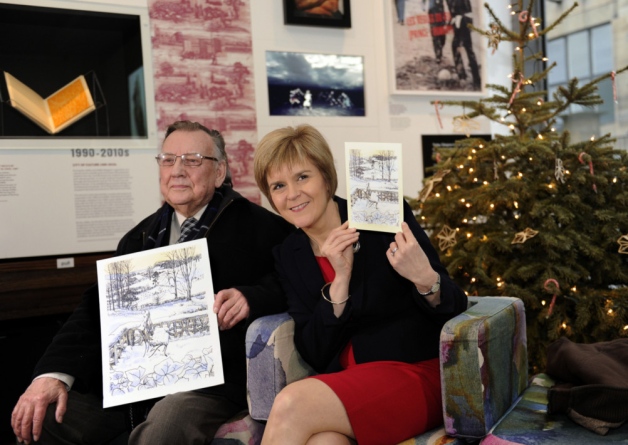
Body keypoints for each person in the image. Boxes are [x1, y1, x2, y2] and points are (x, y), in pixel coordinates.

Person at [11, 120, 294, 444]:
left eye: (192, 160)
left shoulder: (262, 228)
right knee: (42, 418)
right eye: (168, 160)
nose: (177, 170)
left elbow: (297, 282)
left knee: (163, 428)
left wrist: (251, 297)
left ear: (219, 172)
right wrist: (52, 376)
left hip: (205, 387)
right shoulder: (138, 237)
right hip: (131, 389)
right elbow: (93, 311)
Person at [253, 124, 468, 444]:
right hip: (345, 387)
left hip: (413, 373)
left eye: (302, 177)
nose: (292, 194)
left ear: (326, 176)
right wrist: (339, 283)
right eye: (278, 186)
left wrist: (424, 277)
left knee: (290, 403)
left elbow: (454, 303)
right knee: (323, 443)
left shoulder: (379, 213)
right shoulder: (289, 254)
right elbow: (312, 350)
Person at [446, 0, 481, 89]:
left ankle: (473, 79)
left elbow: (468, 11)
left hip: (464, 22)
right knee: (460, 48)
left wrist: (467, 23)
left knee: (465, 48)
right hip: (458, 22)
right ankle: (466, 77)